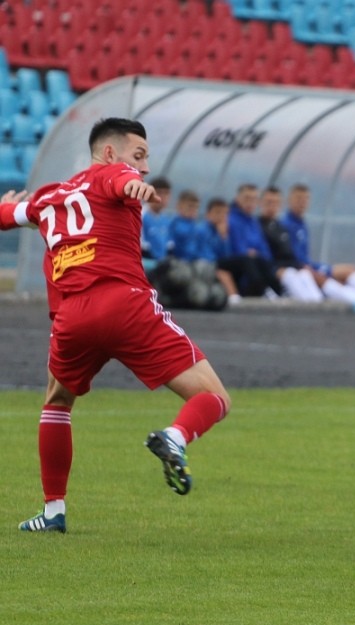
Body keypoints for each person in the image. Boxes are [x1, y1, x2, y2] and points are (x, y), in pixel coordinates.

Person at [0, 118, 231, 533]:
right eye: (138, 156)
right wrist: (136, 188)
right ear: (109, 153)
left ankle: (53, 512)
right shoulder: (115, 174)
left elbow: (8, 215)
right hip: (124, 305)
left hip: (71, 318)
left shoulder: (49, 197)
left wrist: (8, 205)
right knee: (215, 398)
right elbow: (122, 182)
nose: (143, 168)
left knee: (56, 402)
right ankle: (175, 438)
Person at [278, 183, 355, 304]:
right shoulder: (284, 224)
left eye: (306, 199)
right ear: (289, 200)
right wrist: (307, 268)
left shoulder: (301, 223)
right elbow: (289, 255)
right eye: (299, 199)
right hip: (300, 269)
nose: (302, 203)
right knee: (325, 278)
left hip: (309, 265)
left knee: (350, 269)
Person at [168, 189, 241, 305]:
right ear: (179, 206)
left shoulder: (197, 226)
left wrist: (223, 238)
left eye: (196, 207)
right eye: (190, 207)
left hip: (202, 261)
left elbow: (223, 253)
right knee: (221, 270)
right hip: (188, 263)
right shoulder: (181, 226)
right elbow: (188, 251)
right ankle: (232, 295)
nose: (193, 211)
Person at [257, 185, 323, 303]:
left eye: (276, 203)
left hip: (289, 266)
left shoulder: (280, 227)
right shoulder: (257, 225)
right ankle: (308, 305)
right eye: (269, 202)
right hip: (273, 269)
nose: (272, 206)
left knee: (304, 274)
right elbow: (263, 254)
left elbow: (289, 253)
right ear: (260, 203)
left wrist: (299, 265)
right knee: (291, 274)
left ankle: (317, 303)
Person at [227, 183, 285, 299]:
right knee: (249, 261)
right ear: (238, 199)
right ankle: (263, 290)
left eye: (254, 199)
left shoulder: (254, 222)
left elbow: (264, 248)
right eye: (247, 198)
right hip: (238, 263)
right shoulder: (231, 220)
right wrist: (252, 254)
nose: (250, 203)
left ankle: (275, 290)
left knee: (266, 262)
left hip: (255, 261)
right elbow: (237, 247)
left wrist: (259, 254)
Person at [140, 175, 172, 269]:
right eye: (159, 193)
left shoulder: (167, 219)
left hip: (162, 266)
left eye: (166, 194)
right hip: (145, 265)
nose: (163, 197)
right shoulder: (141, 215)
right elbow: (141, 246)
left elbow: (169, 247)